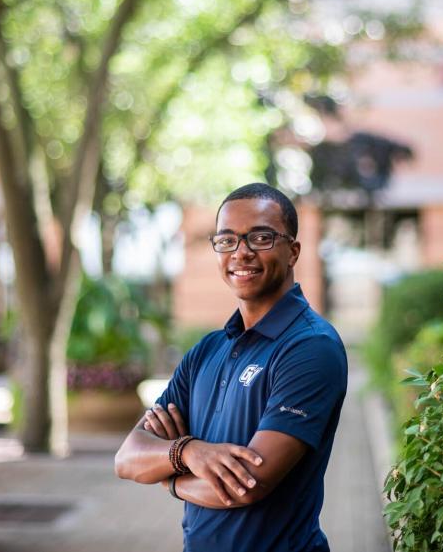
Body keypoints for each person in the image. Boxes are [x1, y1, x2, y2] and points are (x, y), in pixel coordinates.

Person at [115, 183, 348, 552]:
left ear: (293, 251)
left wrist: (170, 480)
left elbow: (248, 483)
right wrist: (188, 452)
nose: (242, 253)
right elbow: (128, 457)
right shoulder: (208, 350)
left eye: (260, 237)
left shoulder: (310, 347)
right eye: (227, 240)